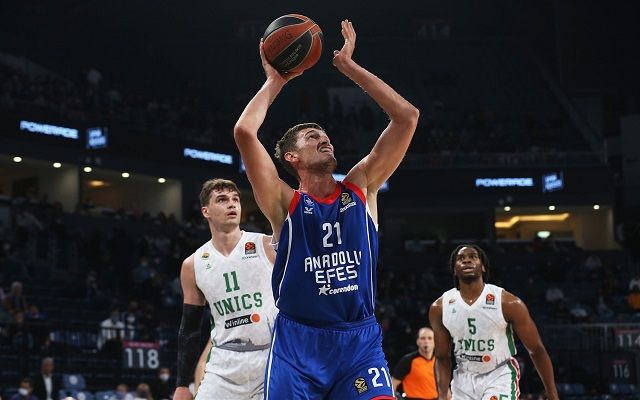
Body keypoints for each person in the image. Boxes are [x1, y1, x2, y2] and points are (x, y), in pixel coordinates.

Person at [234, 19, 419, 399]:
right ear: (291, 157)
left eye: (326, 135)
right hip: (298, 345)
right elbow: (244, 133)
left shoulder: (361, 186)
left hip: (359, 342)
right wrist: (276, 81)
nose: (324, 139)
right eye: (312, 136)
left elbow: (407, 117)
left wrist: (350, 68)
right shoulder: (284, 202)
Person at [173, 179, 277, 400]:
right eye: (222, 200)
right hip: (224, 363)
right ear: (206, 211)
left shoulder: (267, 246)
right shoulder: (193, 265)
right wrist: (182, 384)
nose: (232, 204)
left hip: (272, 358)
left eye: (235, 199)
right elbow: (190, 328)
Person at [429, 245, 559, 400]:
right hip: (463, 378)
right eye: (461, 258)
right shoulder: (440, 307)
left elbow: (536, 350)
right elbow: (442, 357)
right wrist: (442, 395)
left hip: (499, 374)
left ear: (483, 267)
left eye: (473, 257)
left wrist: (552, 394)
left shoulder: (508, 303)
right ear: (454, 270)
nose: (467, 260)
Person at [391, 327, 439, 400]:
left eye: (430, 338)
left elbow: (445, 389)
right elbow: (392, 385)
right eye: (423, 338)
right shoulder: (408, 360)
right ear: (417, 341)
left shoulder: (439, 362)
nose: (426, 341)